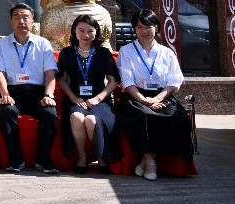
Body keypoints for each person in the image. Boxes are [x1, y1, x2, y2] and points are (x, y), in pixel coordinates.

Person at [118, 9, 192, 181]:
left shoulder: (167, 52)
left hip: (162, 96)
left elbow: (174, 81)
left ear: (157, 28)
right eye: (139, 27)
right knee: (144, 116)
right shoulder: (126, 51)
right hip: (136, 96)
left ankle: (145, 162)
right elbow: (127, 82)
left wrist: (157, 99)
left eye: (148, 27)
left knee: (178, 117)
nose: (144, 31)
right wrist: (146, 101)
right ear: (134, 29)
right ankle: (150, 161)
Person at [0, 3, 60, 174]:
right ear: (11, 21)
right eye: (17, 17)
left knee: (50, 113)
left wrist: (48, 95)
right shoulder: (1, 44)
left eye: (25, 17)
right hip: (13, 92)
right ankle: (15, 159)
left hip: (38, 92)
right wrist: (5, 94)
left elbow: (50, 73)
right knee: (6, 110)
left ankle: (43, 159)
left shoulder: (43, 43)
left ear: (33, 21)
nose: (21, 21)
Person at [56, 15, 119, 174]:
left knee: (91, 120)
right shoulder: (67, 53)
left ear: (96, 32)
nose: (86, 35)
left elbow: (113, 81)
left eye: (90, 31)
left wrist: (97, 98)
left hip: (100, 100)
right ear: (74, 32)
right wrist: (73, 98)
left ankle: (101, 156)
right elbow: (62, 80)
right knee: (77, 117)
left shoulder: (104, 53)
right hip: (76, 99)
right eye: (81, 30)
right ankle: (82, 156)